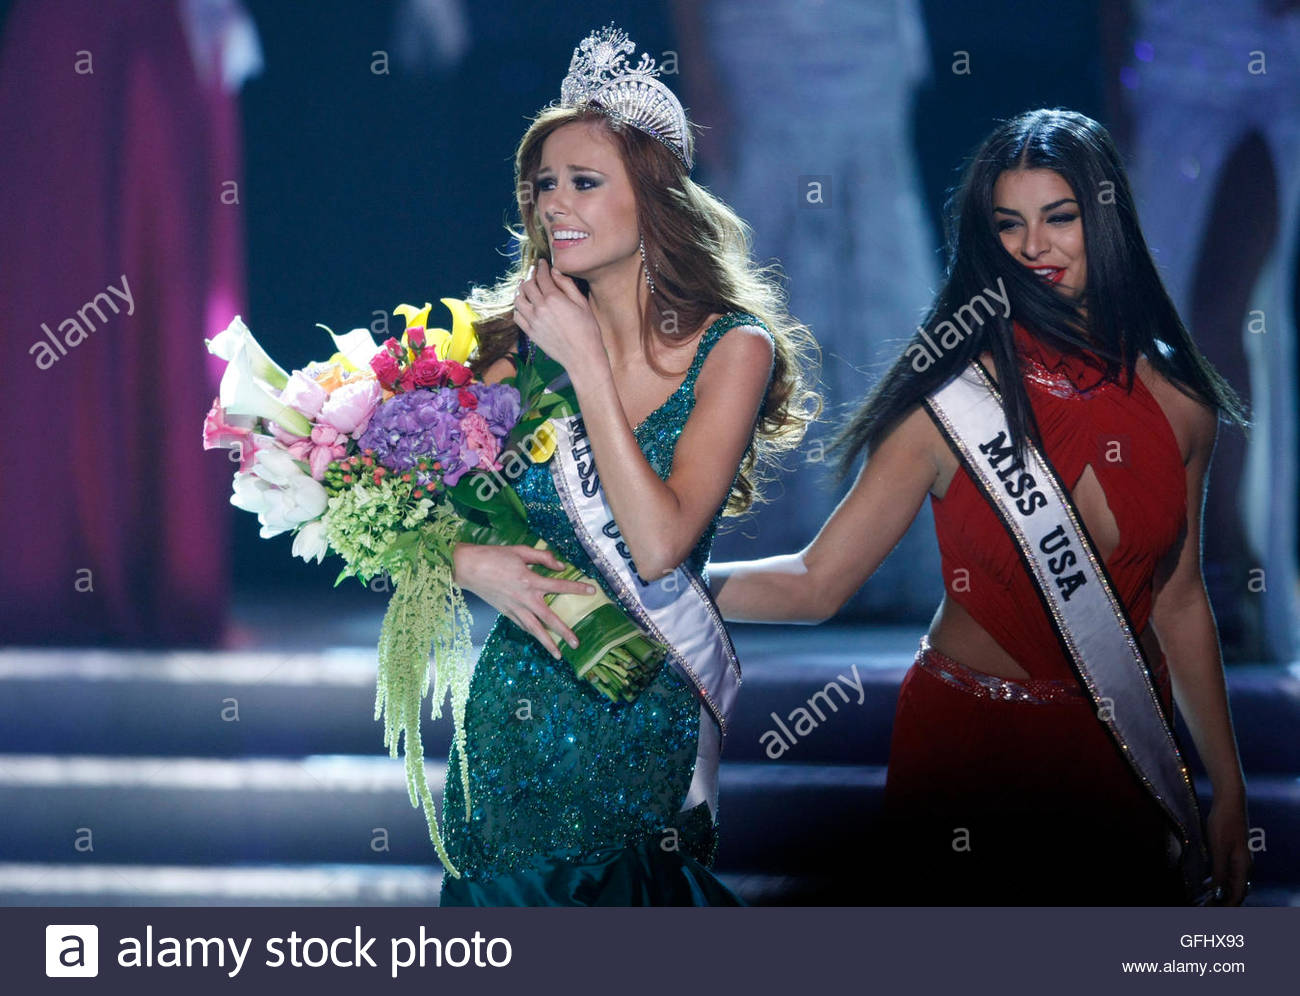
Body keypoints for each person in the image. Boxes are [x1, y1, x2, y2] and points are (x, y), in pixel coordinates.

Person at [710, 109, 1253, 905]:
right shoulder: (950, 401)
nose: (1035, 247)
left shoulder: (1181, 407)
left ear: (1104, 220)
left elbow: (1177, 598)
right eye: (1009, 225)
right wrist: (655, 580)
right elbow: (814, 584)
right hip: (966, 744)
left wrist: (1231, 791)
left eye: (1060, 218)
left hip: (1119, 747)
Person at [437, 25, 819, 906]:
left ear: (654, 200)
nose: (553, 207)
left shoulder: (735, 350)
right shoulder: (506, 351)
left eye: (583, 182)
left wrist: (586, 368)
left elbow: (655, 546)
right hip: (508, 733)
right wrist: (467, 561)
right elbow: (399, 517)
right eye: (542, 187)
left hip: (641, 721)